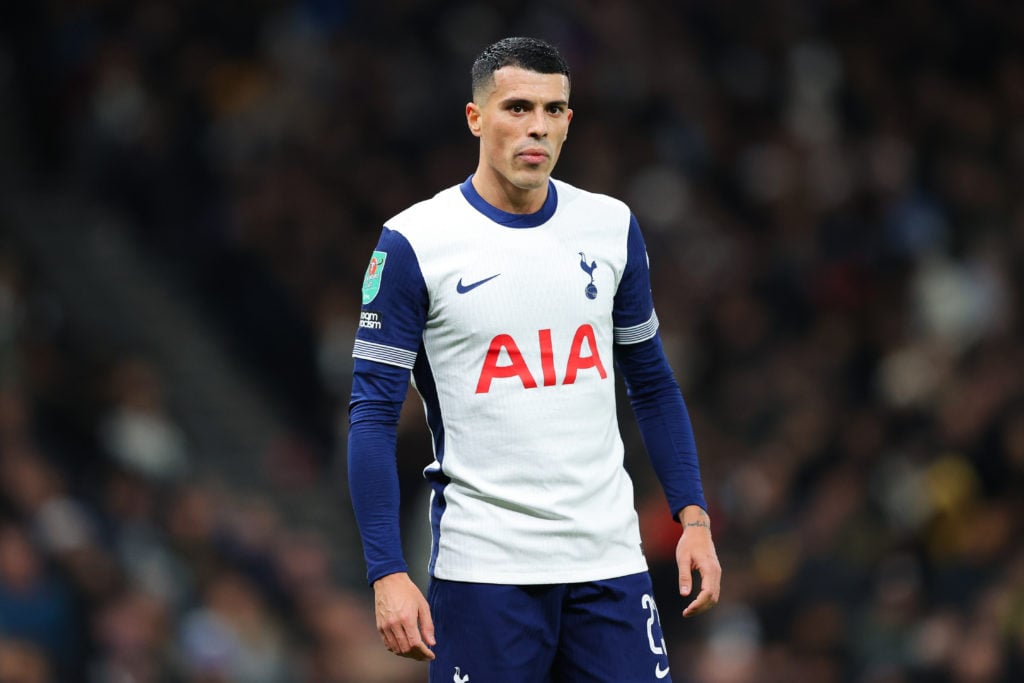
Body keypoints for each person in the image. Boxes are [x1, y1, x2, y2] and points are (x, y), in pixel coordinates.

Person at [347, 36, 721, 683]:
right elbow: (372, 416)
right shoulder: (414, 244)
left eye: (553, 110)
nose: (537, 127)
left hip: (607, 560)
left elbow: (653, 383)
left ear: (569, 121)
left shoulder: (609, 227)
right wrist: (386, 572)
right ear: (476, 117)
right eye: (517, 107)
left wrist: (693, 515)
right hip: (485, 571)